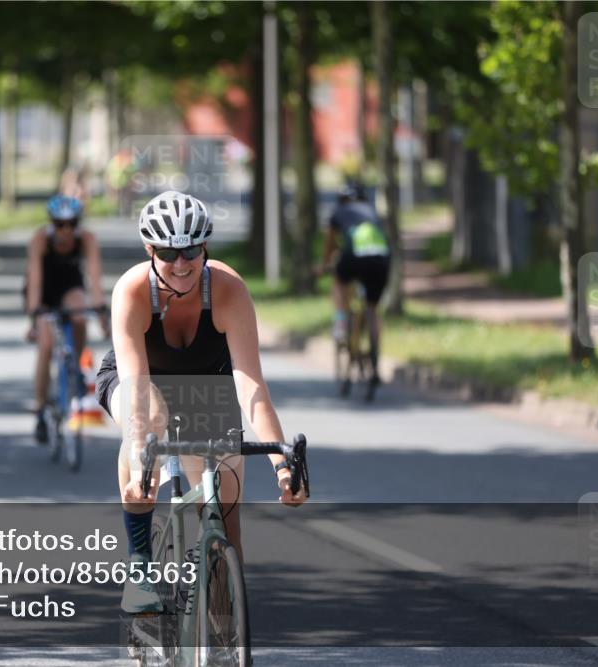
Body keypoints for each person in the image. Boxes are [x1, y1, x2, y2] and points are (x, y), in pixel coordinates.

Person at [95, 190, 308, 614]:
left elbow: (251, 386)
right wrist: (142, 457)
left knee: (225, 525)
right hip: (136, 381)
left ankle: (220, 631)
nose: (180, 262)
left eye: (190, 249)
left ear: (204, 246)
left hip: (206, 386)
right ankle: (140, 568)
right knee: (150, 420)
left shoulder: (227, 290)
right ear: (149, 250)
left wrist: (282, 464)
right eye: (168, 251)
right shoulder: (133, 291)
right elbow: (138, 393)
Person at [24, 194, 108, 443]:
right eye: (60, 224)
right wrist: (33, 316)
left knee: (81, 314)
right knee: (46, 347)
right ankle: (40, 409)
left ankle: (75, 366)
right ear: (52, 223)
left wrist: (101, 311)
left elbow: (94, 278)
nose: (66, 230)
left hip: (71, 288)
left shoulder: (86, 239)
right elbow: (35, 279)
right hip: (44, 293)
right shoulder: (41, 240)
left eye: (71, 223)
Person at [319, 182, 391, 387]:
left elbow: (330, 245)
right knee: (373, 307)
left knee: (339, 282)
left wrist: (324, 266)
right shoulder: (372, 212)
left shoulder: (338, 212)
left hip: (353, 256)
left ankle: (341, 321)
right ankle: (375, 355)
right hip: (380, 258)